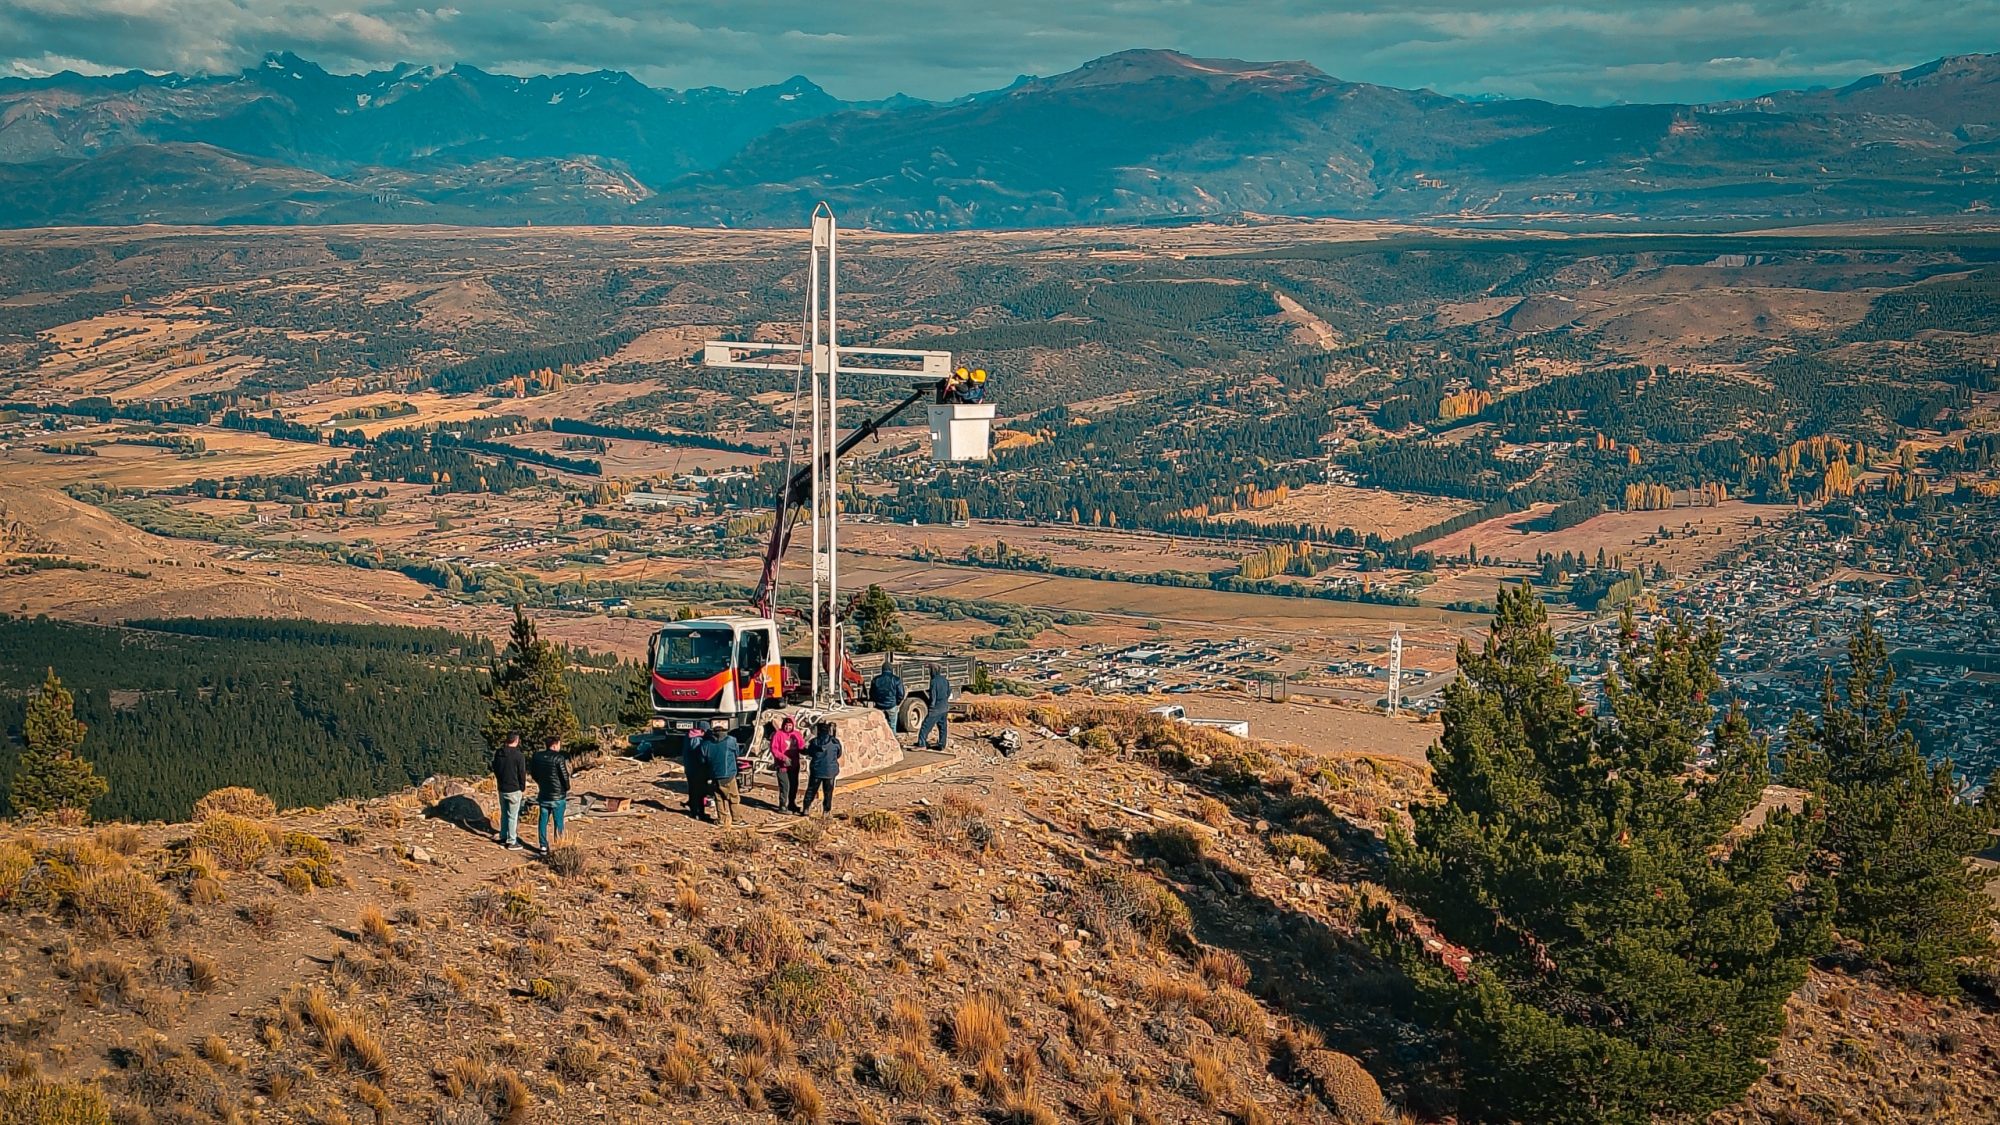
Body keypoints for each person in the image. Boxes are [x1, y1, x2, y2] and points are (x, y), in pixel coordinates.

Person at [528, 735, 571, 854]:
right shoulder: (559, 758)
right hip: (558, 795)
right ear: (555, 745)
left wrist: (541, 783)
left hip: (544, 794)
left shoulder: (537, 756)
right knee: (558, 821)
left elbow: (534, 773)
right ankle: (559, 845)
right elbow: (564, 776)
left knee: (543, 820)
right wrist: (566, 787)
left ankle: (543, 845)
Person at [491, 732, 528, 850]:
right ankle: (512, 841)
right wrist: (522, 787)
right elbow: (521, 773)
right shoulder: (519, 756)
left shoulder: (499, 753)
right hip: (514, 788)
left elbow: (495, 768)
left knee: (504, 813)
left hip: (502, 788)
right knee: (512, 815)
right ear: (516, 741)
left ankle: (503, 836)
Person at [702, 723, 742, 828]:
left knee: (718, 798)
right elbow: (737, 753)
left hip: (714, 775)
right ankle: (736, 819)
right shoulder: (731, 741)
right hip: (728, 773)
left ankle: (722, 820)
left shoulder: (706, 744)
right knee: (734, 798)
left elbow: (702, 760)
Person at [803, 720, 842, 815]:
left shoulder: (814, 742)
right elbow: (839, 754)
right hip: (830, 771)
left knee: (811, 790)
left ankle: (806, 808)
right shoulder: (835, 742)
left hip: (817, 770)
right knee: (828, 793)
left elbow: (810, 753)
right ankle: (826, 811)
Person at [767, 717, 805, 815]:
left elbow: (801, 746)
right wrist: (783, 758)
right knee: (785, 786)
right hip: (782, 766)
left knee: (794, 785)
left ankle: (791, 804)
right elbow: (774, 749)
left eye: (790, 725)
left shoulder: (796, 734)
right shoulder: (778, 735)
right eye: (786, 725)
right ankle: (782, 805)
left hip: (794, 764)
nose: (788, 727)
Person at [916, 664, 953, 751]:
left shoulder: (933, 681)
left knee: (925, 726)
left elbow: (933, 696)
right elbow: (949, 692)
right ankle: (942, 745)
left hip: (936, 708)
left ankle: (922, 744)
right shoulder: (945, 680)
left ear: (933, 671)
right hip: (944, 707)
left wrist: (931, 707)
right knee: (943, 727)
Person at [681, 725, 710, 820]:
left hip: (689, 768)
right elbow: (699, 754)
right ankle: (699, 813)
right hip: (697, 769)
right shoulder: (696, 739)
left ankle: (694, 811)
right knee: (700, 792)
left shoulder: (688, 736)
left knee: (692, 790)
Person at [869, 655, 905, 730]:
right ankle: (893, 740)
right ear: (891, 669)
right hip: (891, 705)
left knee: (879, 727)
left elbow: (871, 693)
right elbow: (901, 694)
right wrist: (897, 702)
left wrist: (876, 701)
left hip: (879, 706)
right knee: (892, 726)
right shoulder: (896, 679)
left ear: (882, 669)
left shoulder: (876, 679)